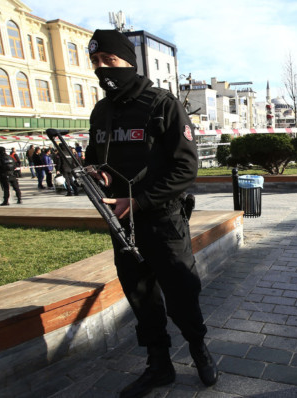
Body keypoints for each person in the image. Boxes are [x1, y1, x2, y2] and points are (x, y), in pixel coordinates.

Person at [84, 29, 217, 396]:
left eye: (109, 60)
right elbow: (94, 159)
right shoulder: (101, 111)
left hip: (162, 221)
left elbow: (185, 170)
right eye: (96, 61)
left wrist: (139, 200)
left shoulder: (162, 104)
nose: (102, 68)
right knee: (141, 296)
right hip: (122, 224)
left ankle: (199, 351)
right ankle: (159, 366)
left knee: (182, 293)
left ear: (129, 61)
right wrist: (98, 172)